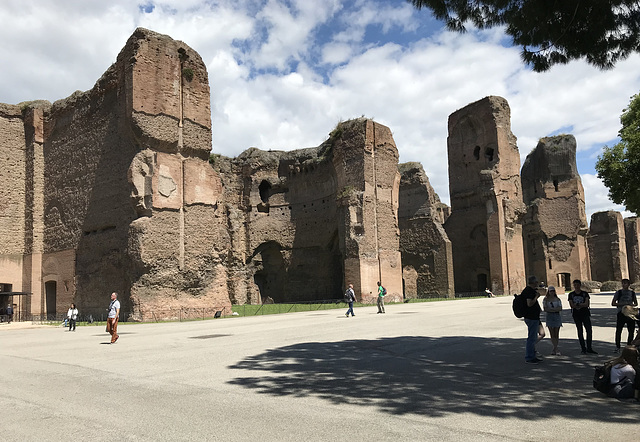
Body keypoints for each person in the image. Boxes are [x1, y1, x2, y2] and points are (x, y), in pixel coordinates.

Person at [568, 279, 597, 355]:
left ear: (580, 285)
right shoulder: (571, 294)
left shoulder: (584, 294)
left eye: (577, 285)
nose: (576, 286)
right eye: (575, 285)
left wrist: (577, 305)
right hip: (576, 315)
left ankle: (589, 348)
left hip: (585, 313)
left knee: (589, 330)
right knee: (580, 331)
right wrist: (580, 304)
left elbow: (587, 304)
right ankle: (583, 348)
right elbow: (571, 305)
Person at [522, 275, 545, 364]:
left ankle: (532, 350)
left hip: (535, 317)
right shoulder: (528, 291)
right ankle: (529, 356)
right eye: (536, 282)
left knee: (542, 333)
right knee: (531, 337)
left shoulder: (531, 290)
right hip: (531, 317)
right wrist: (536, 297)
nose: (537, 284)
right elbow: (529, 303)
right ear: (533, 283)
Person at [612, 279, 637, 353]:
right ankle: (617, 346)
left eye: (625, 283)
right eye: (623, 283)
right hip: (621, 313)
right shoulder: (619, 292)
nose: (624, 285)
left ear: (629, 284)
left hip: (629, 313)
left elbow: (636, 303)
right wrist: (622, 304)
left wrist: (631, 305)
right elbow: (613, 303)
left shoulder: (632, 293)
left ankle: (629, 345)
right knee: (619, 330)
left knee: (631, 331)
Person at [543, 286, 562, 355]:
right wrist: (554, 310)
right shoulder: (546, 300)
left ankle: (555, 348)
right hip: (549, 316)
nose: (552, 292)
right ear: (548, 292)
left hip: (556, 316)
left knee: (556, 333)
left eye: (553, 291)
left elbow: (560, 308)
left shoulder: (557, 299)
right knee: (552, 333)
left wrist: (552, 310)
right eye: (551, 291)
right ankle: (555, 348)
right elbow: (545, 309)